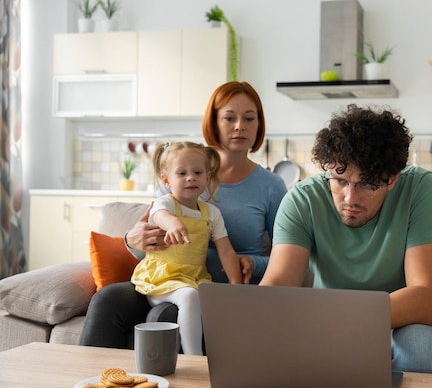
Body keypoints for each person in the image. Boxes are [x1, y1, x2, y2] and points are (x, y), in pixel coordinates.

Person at [80, 81, 287, 348]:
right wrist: (131, 241)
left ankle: (172, 384)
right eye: (229, 118)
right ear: (213, 123)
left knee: (165, 315)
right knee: (107, 299)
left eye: (249, 118)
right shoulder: (181, 169)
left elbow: (288, 255)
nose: (240, 126)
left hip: (215, 289)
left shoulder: (271, 186)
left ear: (259, 124)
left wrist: (252, 263)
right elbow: (152, 239)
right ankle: (101, 384)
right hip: (165, 278)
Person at [259, 104, 432, 374]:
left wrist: (342, 319)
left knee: (421, 350)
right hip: (324, 322)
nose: (350, 198)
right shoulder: (302, 199)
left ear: (393, 179)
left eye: (367, 184)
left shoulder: (421, 188)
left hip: (401, 320)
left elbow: (428, 301)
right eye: (340, 180)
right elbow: (279, 282)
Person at [130, 142, 244, 355]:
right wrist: (173, 223)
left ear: (207, 177)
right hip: (162, 280)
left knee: (204, 296)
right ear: (167, 180)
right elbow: (158, 215)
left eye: (197, 172)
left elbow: (226, 251)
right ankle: (195, 357)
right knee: (190, 296)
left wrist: (235, 285)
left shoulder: (211, 212)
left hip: (195, 278)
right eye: (181, 173)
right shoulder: (166, 205)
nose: (190, 177)